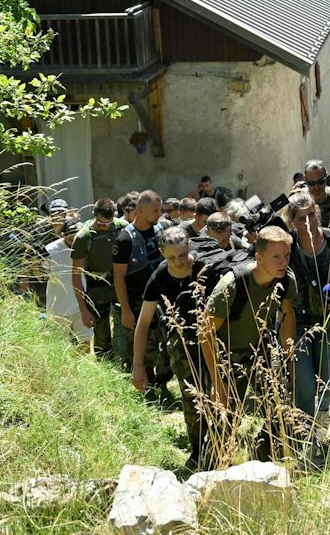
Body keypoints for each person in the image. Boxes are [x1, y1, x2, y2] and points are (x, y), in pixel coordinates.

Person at [202, 227, 298, 465]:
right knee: (225, 419)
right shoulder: (232, 285)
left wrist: (289, 359)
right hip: (227, 354)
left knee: (281, 408)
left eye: (286, 256)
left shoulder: (285, 280)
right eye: (276, 257)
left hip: (260, 348)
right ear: (258, 256)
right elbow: (205, 332)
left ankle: (261, 461)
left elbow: (287, 315)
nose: (283, 262)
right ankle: (211, 469)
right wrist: (218, 382)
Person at [133, 226, 213, 465]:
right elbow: (144, 322)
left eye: (181, 254)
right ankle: (198, 450)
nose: (178, 262)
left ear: (189, 245)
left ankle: (220, 444)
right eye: (170, 257)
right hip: (182, 344)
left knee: (217, 393)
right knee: (191, 396)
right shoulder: (160, 275)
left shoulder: (205, 267)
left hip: (213, 337)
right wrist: (138, 365)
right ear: (161, 253)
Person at [285, 191, 330, 427]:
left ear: (317, 214)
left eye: (311, 215)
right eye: (300, 218)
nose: (307, 222)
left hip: (329, 320)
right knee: (304, 385)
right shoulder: (288, 246)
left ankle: (322, 425)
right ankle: (305, 432)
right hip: (296, 324)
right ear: (291, 222)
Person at [71, 197, 134, 364]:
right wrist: (84, 310)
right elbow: (76, 275)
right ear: (94, 216)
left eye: (109, 224)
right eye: (101, 224)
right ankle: (105, 367)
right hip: (97, 287)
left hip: (122, 283)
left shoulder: (124, 228)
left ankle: (129, 365)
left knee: (128, 327)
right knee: (101, 333)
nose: (105, 227)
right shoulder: (84, 237)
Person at [120, 192, 166, 384]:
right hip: (137, 301)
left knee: (163, 345)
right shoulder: (125, 239)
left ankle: (159, 383)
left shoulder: (161, 231)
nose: (159, 214)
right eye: (155, 210)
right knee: (141, 349)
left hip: (162, 300)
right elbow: (118, 277)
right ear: (140, 210)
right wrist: (125, 310)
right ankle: (143, 387)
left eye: (160, 209)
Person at [42, 208, 86, 345]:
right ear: (62, 234)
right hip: (58, 305)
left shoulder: (86, 245)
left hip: (81, 304)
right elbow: (41, 274)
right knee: (59, 346)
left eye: (76, 235)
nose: (73, 239)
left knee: (86, 342)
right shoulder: (49, 249)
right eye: (70, 235)